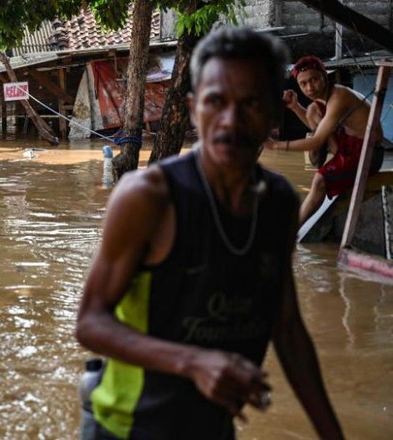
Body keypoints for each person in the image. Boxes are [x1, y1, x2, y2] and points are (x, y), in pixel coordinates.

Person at [75, 27, 344, 440]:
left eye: (250, 104)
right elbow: (91, 322)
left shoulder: (277, 203)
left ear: (275, 115)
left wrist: (332, 432)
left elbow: (286, 326)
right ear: (192, 108)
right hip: (128, 427)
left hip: (213, 428)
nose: (230, 122)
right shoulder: (147, 198)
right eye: (215, 102)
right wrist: (193, 362)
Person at [265, 55, 384, 226]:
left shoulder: (339, 97)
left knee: (319, 180)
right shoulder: (322, 101)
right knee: (312, 110)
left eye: (314, 80)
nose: (309, 87)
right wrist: (295, 107)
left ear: (325, 77)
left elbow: (317, 140)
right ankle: (333, 159)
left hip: (369, 153)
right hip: (347, 145)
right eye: (303, 84)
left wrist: (276, 145)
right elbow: (319, 129)